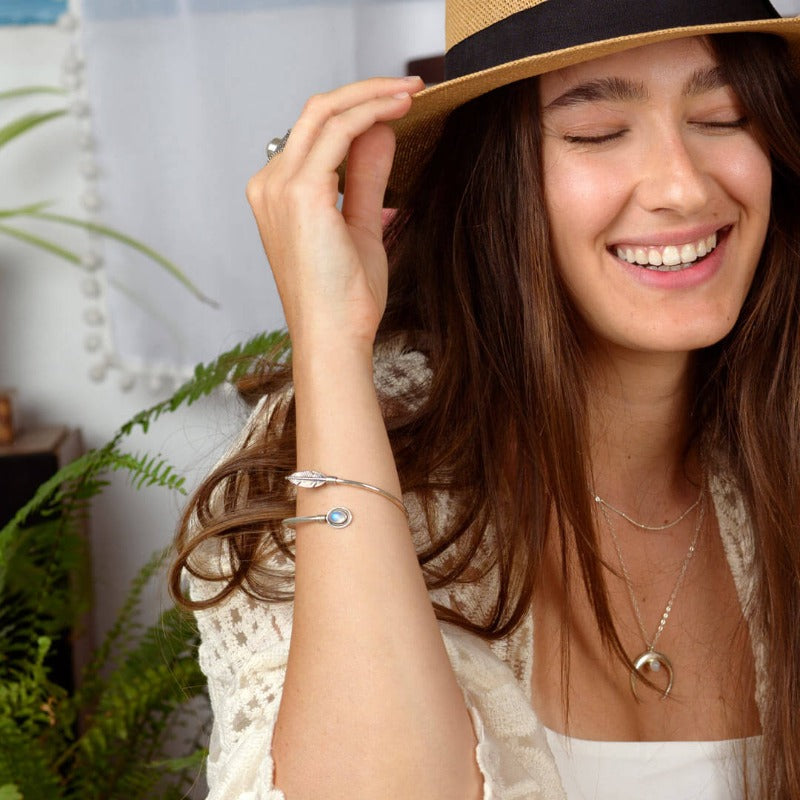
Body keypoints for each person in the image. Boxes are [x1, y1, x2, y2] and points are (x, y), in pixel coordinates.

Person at [170, 1, 800, 797]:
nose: (683, 186)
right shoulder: (330, 467)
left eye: (724, 116)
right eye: (598, 132)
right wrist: (330, 345)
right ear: (494, 176)